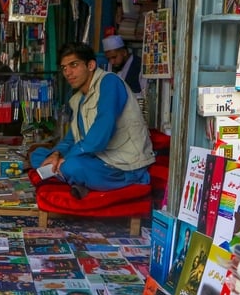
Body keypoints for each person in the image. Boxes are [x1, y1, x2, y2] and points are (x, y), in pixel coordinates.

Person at [30, 42, 154, 199]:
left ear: (91, 65)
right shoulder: (78, 99)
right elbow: (71, 139)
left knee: (72, 166)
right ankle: (71, 176)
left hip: (122, 165)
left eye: (73, 65)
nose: (68, 72)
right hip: (97, 158)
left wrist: (66, 158)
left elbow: (101, 133)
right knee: (38, 155)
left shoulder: (109, 82)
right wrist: (56, 154)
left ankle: (73, 176)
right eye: (64, 68)